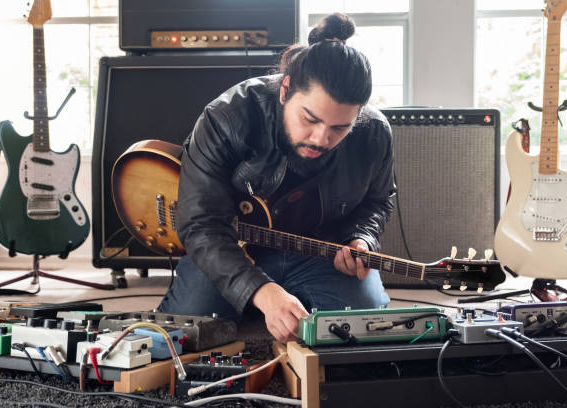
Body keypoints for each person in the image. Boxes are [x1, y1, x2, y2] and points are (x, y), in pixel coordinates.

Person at [158, 13, 395, 343]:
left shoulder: (374, 133)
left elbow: (378, 201)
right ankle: (260, 302)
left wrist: (361, 239)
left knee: (368, 329)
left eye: (340, 128)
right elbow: (201, 224)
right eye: (309, 119)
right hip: (230, 248)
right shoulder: (226, 116)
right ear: (285, 90)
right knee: (183, 334)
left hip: (317, 252)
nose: (320, 138)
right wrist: (261, 291)